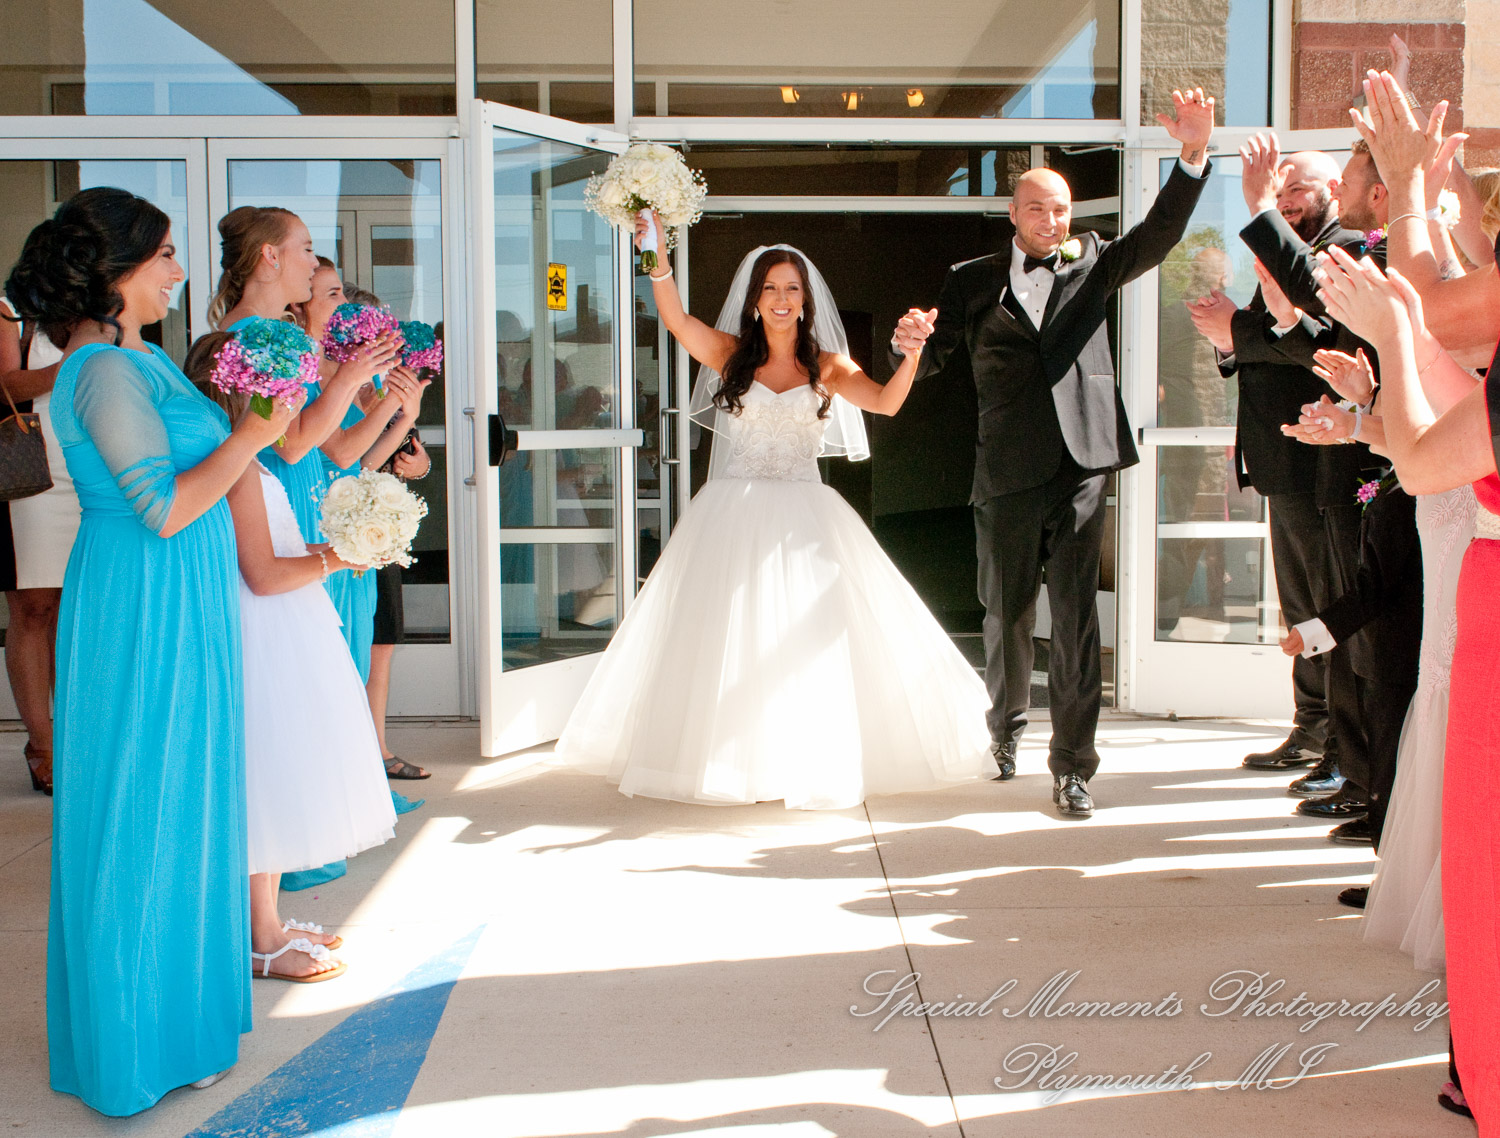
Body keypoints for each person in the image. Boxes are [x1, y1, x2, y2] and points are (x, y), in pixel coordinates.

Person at [6, 187, 298, 1114]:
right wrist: (255, 435)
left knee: (187, 802)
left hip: (181, 600)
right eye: (165, 254)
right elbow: (163, 508)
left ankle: (175, 1023)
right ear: (117, 271)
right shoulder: (101, 372)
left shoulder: (140, 360)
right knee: (144, 807)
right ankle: (133, 1042)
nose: (180, 270)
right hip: (143, 603)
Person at [554, 233, 998, 809]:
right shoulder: (730, 354)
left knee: (803, 641)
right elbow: (676, 319)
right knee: (727, 639)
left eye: (792, 289)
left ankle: (799, 761)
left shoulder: (830, 366)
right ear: (755, 299)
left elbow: (886, 403)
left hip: (805, 514)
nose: (782, 298)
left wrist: (912, 355)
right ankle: (729, 762)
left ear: (806, 300)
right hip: (731, 514)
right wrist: (655, 258)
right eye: (771, 288)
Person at [894, 87, 1216, 817]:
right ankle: (1005, 728)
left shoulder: (1096, 261)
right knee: (1005, 614)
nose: (1051, 220)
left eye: (1062, 208)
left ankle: (1074, 767)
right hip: (1005, 472)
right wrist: (904, 342)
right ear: (1013, 214)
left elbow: (1156, 239)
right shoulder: (971, 280)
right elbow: (934, 355)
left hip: (1081, 468)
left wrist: (1190, 161)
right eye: (1037, 207)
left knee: (1075, 619)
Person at [184, 333, 395, 982]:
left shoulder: (256, 465)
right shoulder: (240, 466)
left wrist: (343, 540)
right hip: (265, 631)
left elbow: (275, 545)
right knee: (268, 781)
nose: (301, 393)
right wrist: (339, 557)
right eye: (288, 385)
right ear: (245, 392)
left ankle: (264, 922)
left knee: (276, 777)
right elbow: (263, 574)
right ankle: (261, 934)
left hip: (286, 625)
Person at [1185, 147, 1351, 788]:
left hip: (1323, 462)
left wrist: (1238, 331)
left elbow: (1314, 339)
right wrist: (1230, 342)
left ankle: (1343, 744)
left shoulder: (1343, 249)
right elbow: (1269, 340)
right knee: (1300, 607)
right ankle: (1311, 726)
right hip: (1281, 462)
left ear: (1334, 188)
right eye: (1279, 190)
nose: (1286, 198)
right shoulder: (1290, 249)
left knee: (1329, 608)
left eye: (1299, 187)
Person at [0, 284, 70, 794]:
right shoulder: (12, 310)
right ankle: (41, 744)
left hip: (91, 468)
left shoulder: (111, 307)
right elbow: (7, 383)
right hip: (32, 467)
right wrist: (79, 358)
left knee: (79, 608)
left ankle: (78, 738)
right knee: (34, 606)